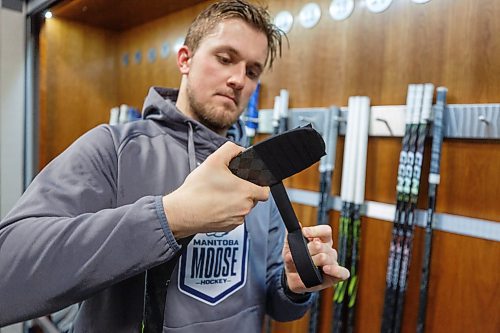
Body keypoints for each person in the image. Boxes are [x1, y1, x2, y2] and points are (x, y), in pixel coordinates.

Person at [0, 0, 349, 332]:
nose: (239, 80)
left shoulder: (261, 173)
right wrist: (169, 217)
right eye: (226, 59)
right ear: (185, 59)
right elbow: (8, 272)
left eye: (252, 71)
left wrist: (294, 285)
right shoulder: (113, 149)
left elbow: (275, 302)